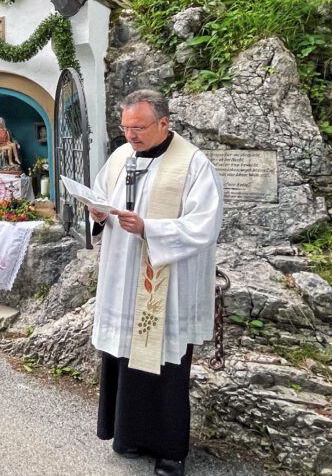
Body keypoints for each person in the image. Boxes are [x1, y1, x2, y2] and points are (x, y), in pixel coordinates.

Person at [88, 89, 224, 476]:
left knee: (164, 364)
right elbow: (102, 198)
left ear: (164, 123)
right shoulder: (119, 158)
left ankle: (169, 451)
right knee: (124, 356)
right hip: (122, 277)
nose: (130, 135)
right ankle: (127, 435)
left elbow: (204, 225)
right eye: (125, 127)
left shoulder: (194, 164)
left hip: (168, 282)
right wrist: (98, 215)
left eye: (139, 127)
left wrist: (150, 228)